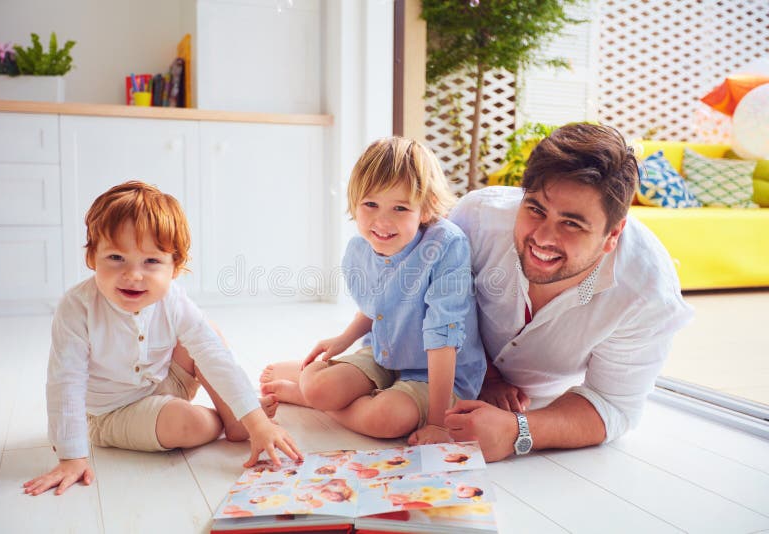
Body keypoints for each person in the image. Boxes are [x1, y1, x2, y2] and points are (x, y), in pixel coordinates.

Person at [24, 181, 302, 496]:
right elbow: (65, 383)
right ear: (92, 257)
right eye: (116, 257)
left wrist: (257, 422)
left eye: (151, 261)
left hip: (162, 381)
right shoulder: (77, 307)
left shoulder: (172, 299)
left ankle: (241, 419)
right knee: (187, 423)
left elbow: (212, 354)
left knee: (206, 333)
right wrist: (71, 457)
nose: (133, 274)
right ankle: (224, 420)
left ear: (175, 266)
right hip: (114, 412)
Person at [444, 123, 693, 462]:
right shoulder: (475, 219)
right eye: (535, 209)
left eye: (572, 223)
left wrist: (516, 431)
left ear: (612, 234)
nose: (544, 238)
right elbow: (432, 301)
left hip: (536, 403)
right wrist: (486, 374)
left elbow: (612, 405)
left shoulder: (647, 295)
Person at [261, 137, 486, 445]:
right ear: (355, 202)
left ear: (425, 210)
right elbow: (376, 307)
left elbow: (443, 335)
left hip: (437, 374)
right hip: (384, 352)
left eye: (400, 208)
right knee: (318, 386)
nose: (382, 221)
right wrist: (343, 339)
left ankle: (313, 401)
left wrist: (438, 423)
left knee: (386, 418)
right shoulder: (360, 249)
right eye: (371, 204)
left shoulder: (446, 246)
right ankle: (313, 394)